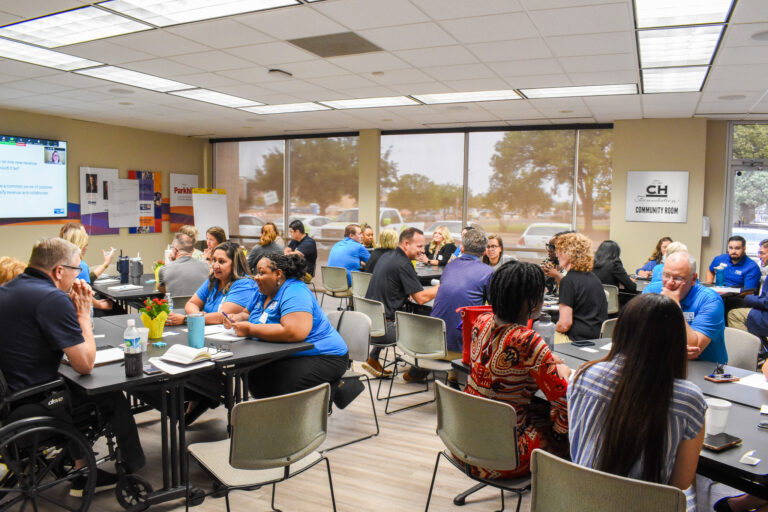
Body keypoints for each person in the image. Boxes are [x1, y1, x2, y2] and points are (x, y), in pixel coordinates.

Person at [0, 238, 145, 496]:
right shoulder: (52, 298)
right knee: (108, 396)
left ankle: (81, 466)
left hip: (9, 397)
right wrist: (83, 314)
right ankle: (132, 468)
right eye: (77, 270)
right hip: (35, 402)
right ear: (59, 271)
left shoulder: (9, 289)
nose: (79, 275)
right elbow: (85, 364)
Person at [568, 293, 705, 512]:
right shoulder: (689, 399)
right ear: (676, 341)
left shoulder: (583, 376)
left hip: (581, 500)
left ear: (621, 330)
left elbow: (576, 445)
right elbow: (680, 483)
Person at [465, 260, 570, 478]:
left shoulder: (482, 321)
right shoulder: (527, 340)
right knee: (566, 431)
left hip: (465, 439)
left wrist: (546, 360)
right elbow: (565, 404)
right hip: (504, 456)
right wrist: (565, 374)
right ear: (531, 301)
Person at [225, 253, 349, 398]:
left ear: (278, 274)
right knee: (251, 372)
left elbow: (294, 332)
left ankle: (326, 394)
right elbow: (247, 313)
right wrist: (237, 318)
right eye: (256, 273)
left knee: (276, 385)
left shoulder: (295, 291)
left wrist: (250, 329)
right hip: (283, 352)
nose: (256, 277)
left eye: (261, 273)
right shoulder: (262, 291)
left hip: (324, 355)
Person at [362, 228, 439, 378]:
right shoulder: (404, 264)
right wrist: (442, 286)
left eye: (423, 246)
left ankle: (373, 358)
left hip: (369, 325)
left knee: (395, 314)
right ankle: (415, 374)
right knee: (429, 333)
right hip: (385, 330)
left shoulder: (386, 256)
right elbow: (421, 298)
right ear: (406, 244)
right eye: (419, 247)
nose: (423, 251)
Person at [643, 251, 727, 363]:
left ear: (693, 279)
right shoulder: (652, 291)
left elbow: (693, 347)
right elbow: (638, 332)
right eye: (666, 275)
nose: (669, 283)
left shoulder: (710, 300)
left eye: (678, 278)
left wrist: (675, 305)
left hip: (705, 368)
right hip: (665, 362)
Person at [427, 229, 492, 371]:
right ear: (485, 252)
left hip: (433, 344)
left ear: (461, 249)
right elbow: (495, 307)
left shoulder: (450, 267)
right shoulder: (488, 272)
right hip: (461, 351)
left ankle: (434, 371)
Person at [166, 241, 254, 326]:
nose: (215, 265)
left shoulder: (244, 284)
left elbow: (222, 316)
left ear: (235, 264)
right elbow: (192, 303)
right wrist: (198, 315)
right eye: (214, 260)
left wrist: (186, 319)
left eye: (221, 261)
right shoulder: (214, 279)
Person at [554, 233, 607, 342]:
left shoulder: (568, 281)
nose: (557, 254)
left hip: (573, 341)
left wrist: (550, 328)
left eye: (559, 251)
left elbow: (564, 325)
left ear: (569, 254)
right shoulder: (594, 278)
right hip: (596, 339)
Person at [59, 223, 115, 314]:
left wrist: (106, 263)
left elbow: (88, 277)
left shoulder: (59, 262)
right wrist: (99, 304)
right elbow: (83, 295)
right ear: (79, 243)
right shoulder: (80, 266)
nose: (87, 247)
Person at [728, 238, 768, 337]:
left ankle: (750, 348)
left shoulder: (751, 266)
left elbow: (766, 302)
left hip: (766, 316)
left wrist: (749, 299)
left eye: (762, 253)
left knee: (734, 314)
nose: (759, 256)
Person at [158, 232, 210, 298]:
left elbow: (164, 289)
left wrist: (172, 262)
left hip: (175, 307)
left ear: (174, 250)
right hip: (199, 307)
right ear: (193, 250)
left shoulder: (165, 269)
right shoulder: (205, 265)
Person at [541, 230, 573, 294]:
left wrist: (556, 274)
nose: (549, 250)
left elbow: (571, 288)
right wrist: (541, 273)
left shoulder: (573, 266)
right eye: (549, 246)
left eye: (552, 247)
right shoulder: (548, 262)